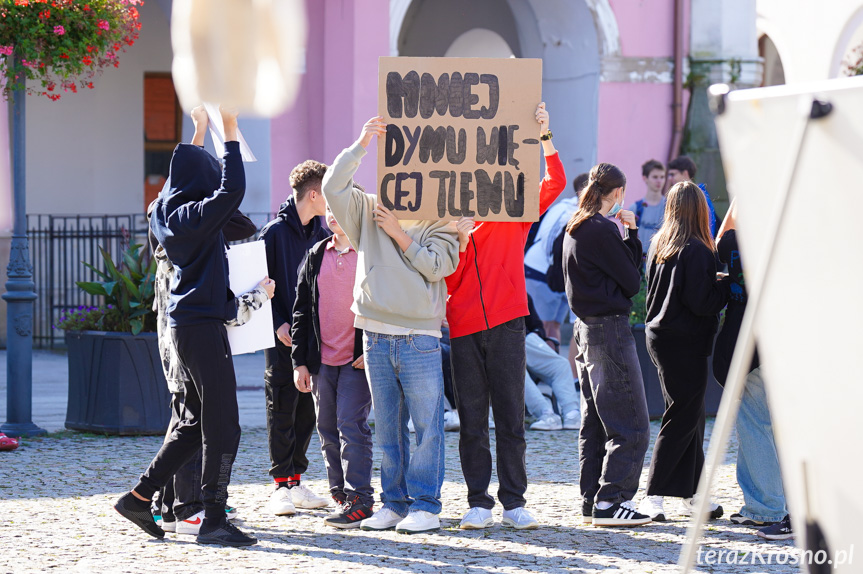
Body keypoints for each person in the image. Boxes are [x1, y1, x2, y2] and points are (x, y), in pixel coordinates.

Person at [114, 105, 257, 547]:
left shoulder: (165, 212)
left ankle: (139, 497)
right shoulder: (197, 217)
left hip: (185, 324)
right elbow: (232, 188)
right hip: (202, 326)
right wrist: (229, 130)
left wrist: (197, 132)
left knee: (194, 422)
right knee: (223, 424)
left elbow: (187, 172)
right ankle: (214, 518)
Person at [321, 117, 459, 535]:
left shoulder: (441, 217)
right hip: (377, 333)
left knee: (427, 428)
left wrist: (401, 235)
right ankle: (394, 503)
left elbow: (439, 267)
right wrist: (361, 142)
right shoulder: (368, 206)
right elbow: (331, 188)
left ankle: (426, 505)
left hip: (419, 336)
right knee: (388, 429)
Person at [447, 103, 566, 531]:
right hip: (463, 328)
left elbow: (556, 182)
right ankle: (478, 501)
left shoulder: (510, 211)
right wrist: (457, 241)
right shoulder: (451, 222)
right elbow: (445, 277)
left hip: (508, 324)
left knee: (512, 417)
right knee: (472, 421)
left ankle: (514, 501)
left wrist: (545, 136)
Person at [147, 195, 268, 535]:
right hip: (190, 351)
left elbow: (243, 226)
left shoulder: (171, 230)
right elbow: (222, 312)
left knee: (184, 421)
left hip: (175, 351)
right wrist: (259, 296)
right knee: (199, 425)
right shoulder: (186, 257)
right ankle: (186, 508)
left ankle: (168, 507)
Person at [562, 163, 652, 527]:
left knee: (595, 422)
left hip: (585, 329)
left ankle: (592, 500)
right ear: (616, 193)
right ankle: (611, 500)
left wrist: (627, 235)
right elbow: (632, 282)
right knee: (632, 423)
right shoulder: (600, 228)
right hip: (608, 330)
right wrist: (630, 236)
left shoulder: (577, 225)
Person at [640, 181, 730, 522]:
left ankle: (694, 495)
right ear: (701, 210)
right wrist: (724, 286)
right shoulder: (698, 250)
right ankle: (655, 496)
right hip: (685, 341)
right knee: (682, 417)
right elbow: (702, 302)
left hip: (660, 336)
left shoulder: (660, 243)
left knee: (689, 417)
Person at [291, 202, 374, 529]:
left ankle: (360, 499)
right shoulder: (315, 255)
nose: (333, 212)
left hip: (356, 359)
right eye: (328, 206)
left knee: (350, 425)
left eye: (339, 204)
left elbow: (382, 301)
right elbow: (300, 311)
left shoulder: (368, 253)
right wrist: (299, 362)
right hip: (320, 362)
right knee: (326, 428)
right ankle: (340, 493)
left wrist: (372, 346)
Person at [260, 161, 332, 516]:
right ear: (314, 194)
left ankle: (297, 482)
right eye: (328, 191)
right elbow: (257, 285)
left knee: (308, 408)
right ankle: (280, 486)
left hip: (312, 339)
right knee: (281, 407)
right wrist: (277, 324)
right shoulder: (272, 234)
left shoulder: (322, 236)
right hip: (280, 340)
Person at [713, 201, 789, 535]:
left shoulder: (733, 244)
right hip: (775, 343)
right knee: (758, 425)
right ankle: (759, 505)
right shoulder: (784, 244)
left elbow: (721, 237)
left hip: (745, 345)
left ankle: (770, 508)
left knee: (756, 426)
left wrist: (739, 201)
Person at [523, 173, 587, 342]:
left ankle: (556, 367)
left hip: (560, 275)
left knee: (554, 326)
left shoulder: (576, 209)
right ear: (582, 190)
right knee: (543, 327)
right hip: (540, 271)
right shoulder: (566, 211)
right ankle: (545, 368)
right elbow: (548, 242)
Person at [523, 295, 581, 432]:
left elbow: (537, 326)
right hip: (504, 346)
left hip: (527, 341)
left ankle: (572, 413)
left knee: (561, 365)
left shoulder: (523, 294)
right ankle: (546, 414)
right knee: (515, 368)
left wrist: (537, 334)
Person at [666, 156, 718, 236]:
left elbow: (708, 229)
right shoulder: (687, 195)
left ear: (685, 173)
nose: (669, 178)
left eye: (673, 174)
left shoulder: (700, 196)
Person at [628, 159, 667, 261]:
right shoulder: (635, 208)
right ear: (645, 178)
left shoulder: (669, 207)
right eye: (655, 177)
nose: (659, 181)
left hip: (659, 262)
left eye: (662, 177)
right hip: (638, 263)